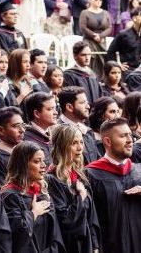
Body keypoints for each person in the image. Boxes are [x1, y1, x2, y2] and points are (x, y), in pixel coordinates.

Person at [86, 118, 141, 253]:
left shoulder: (139, 170)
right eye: (123, 136)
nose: (130, 140)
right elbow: (89, 219)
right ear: (107, 141)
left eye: (130, 135)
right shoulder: (90, 175)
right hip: (109, 246)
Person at [2, 141, 65, 252]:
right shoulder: (10, 196)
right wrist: (33, 214)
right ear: (22, 164)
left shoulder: (43, 192)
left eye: (43, 161)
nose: (43, 166)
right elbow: (15, 237)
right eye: (37, 161)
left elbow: (55, 233)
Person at [48, 125, 100, 253]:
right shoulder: (52, 179)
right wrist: (80, 196)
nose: (80, 147)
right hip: (69, 245)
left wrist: (95, 245)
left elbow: (91, 215)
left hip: (87, 244)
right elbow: (65, 220)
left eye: (81, 142)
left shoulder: (80, 176)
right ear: (62, 145)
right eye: (74, 143)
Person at [58, 86, 100, 164]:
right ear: (69, 107)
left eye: (86, 102)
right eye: (82, 103)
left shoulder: (87, 130)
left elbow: (97, 159)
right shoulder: (58, 132)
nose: (88, 106)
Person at [0, 106, 25, 185]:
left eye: (22, 125)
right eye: (15, 126)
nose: (22, 130)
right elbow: (2, 185)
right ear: (1, 130)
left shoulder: (23, 147)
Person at [79, 0, 111, 77]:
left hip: (102, 41)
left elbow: (109, 28)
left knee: (103, 62)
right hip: (89, 41)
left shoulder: (106, 13)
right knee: (91, 60)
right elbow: (83, 27)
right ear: (90, 0)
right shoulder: (85, 12)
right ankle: (90, 78)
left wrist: (100, 36)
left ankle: (101, 80)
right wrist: (94, 35)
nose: (98, 1)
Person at [23, 92, 58, 166]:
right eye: (50, 109)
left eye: (55, 108)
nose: (56, 112)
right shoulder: (26, 140)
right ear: (37, 114)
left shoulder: (55, 134)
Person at [63, 41, 102, 105]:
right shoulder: (69, 75)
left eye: (89, 54)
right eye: (83, 55)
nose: (87, 58)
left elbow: (100, 95)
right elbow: (70, 98)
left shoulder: (93, 74)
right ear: (75, 56)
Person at [107, 6, 141, 72]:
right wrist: (118, 64)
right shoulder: (123, 35)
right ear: (134, 18)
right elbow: (110, 52)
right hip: (128, 70)